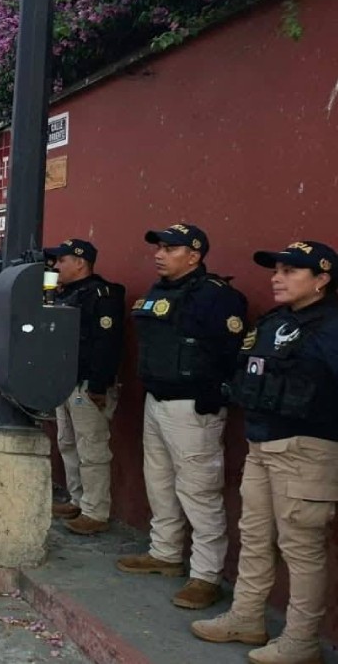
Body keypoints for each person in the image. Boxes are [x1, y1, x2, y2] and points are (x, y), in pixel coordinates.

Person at [191, 241, 338, 664]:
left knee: (301, 548)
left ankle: (301, 640)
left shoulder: (331, 326)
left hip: (308, 449)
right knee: (255, 537)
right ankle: (246, 616)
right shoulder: (276, 321)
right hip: (261, 443)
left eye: (291, 271)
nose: (277, 277)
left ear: (322, 279)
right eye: (276, 269)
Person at [117, 223, 247, 610]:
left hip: (193, 407)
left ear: (194, 255)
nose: (159, 253)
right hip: (156, 400)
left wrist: (213, 396)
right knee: (159, 481)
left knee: (199, 490)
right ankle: (165, 553)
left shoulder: (216, 297)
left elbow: (230, 352)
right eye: (158, 246)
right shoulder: (159, 292)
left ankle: (206, 576)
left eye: (169, 248)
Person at [44, 239, 125, 535]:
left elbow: (107, 343)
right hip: (66, 380)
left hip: (88, 384)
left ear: (80, 262)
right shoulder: (66, 294)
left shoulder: (101, 294)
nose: (56, 266)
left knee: (92, 447)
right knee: (67, 442)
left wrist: (99, 386)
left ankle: (95, 510)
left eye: (62, 260)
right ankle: (77, 498)